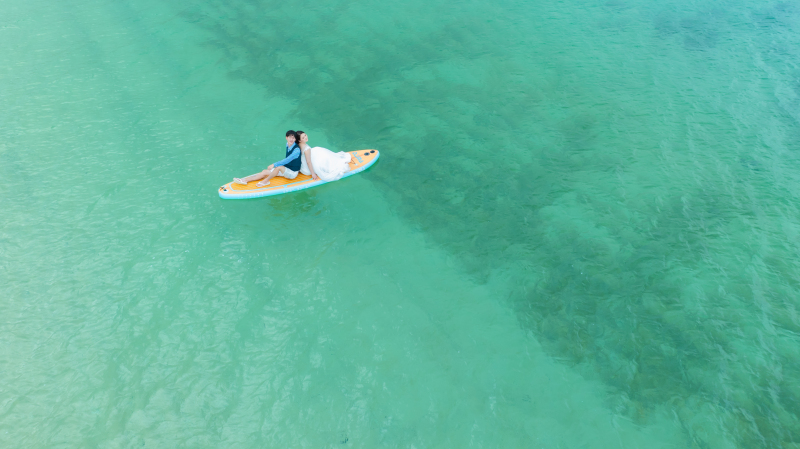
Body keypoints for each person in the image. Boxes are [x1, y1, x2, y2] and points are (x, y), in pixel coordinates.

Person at [234, 130, 303, 187]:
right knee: (264, 172)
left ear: (295, 139)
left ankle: (266, 181)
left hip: (292, 173)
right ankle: (244, 180)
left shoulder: (296, 150)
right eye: (290, 137)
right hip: (286, 169)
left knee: (278, 167)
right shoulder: (287, 144)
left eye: (293, 138)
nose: (291, 139)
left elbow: (287, 160)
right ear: (286, 138)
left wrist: (273, 164)